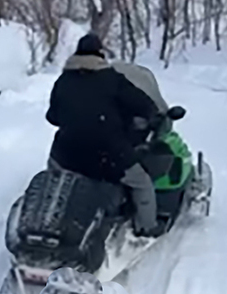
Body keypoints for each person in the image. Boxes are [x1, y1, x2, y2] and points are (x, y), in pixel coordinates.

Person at [45, 33, 167, 237]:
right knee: (142, 182)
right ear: (100, 53)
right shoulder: (112, 78)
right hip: (107, 155)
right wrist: (152, 115)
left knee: (57, 180)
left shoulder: (63, 80)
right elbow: (142, 103)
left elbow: (53, 117)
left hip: (65, 154)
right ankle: (147, 227)